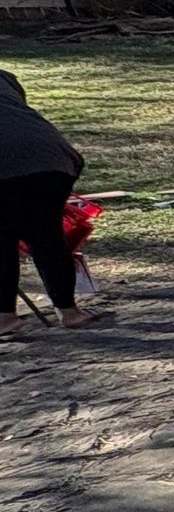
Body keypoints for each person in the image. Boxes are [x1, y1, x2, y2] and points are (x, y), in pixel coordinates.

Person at [1, 68, 109, 337]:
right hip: (52, 156)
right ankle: (69, 312)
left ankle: (4, 317)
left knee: (2, 237)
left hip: (11, 159)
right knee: (45, 234)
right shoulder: (3, 76)